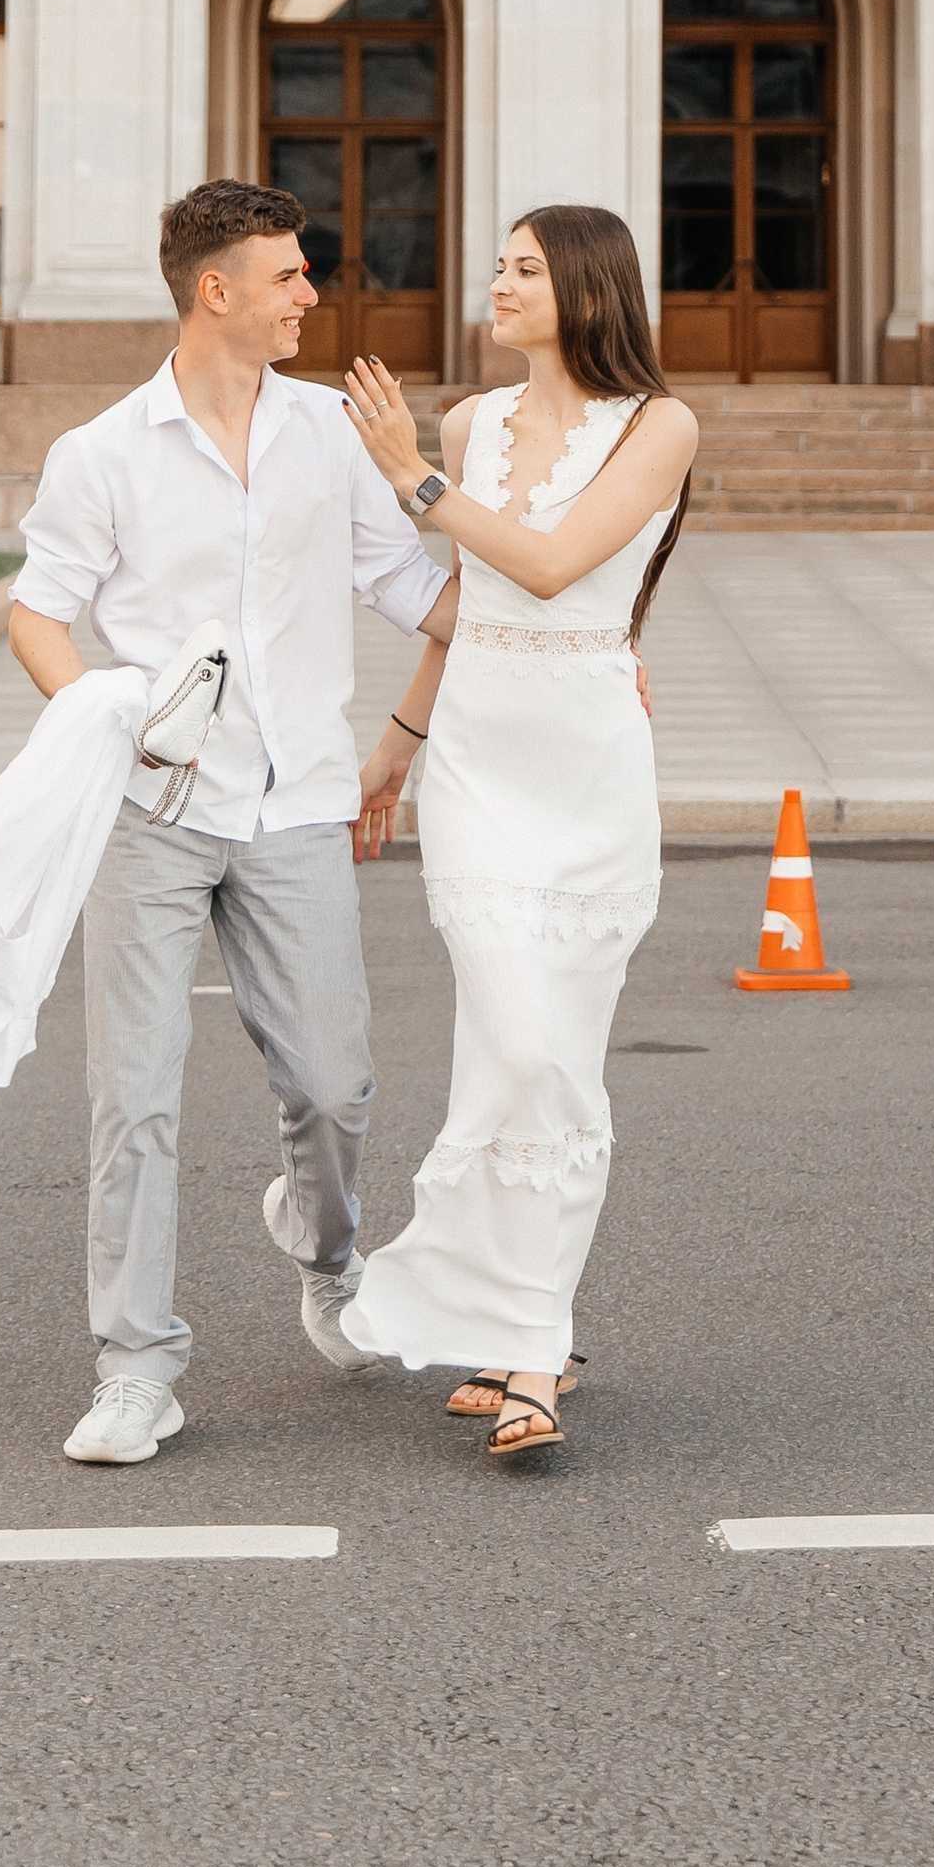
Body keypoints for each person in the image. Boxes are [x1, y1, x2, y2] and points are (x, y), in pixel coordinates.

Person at [5, 178, 461, 1469]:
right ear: (218, 291)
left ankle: (324, 1251)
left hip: (301, 801)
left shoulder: (331, 432)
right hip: (152, 813)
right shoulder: (102, 452)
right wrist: (103, 717)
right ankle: (135, 1367)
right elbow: (38, 613)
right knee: (135, 1098)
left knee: (332, 1082)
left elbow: (400, 581)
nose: (310, 292)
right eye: (290, 275)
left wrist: (558, 633)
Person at [337, 206, 699, 1463]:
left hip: (589, 772)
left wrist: (414, 484)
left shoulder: (659, 426)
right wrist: (396, 745)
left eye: (526, 269)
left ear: (590, 287)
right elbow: (475, 607)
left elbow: (549, 568)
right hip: (479, 771)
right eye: (496, 263)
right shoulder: (469, 423)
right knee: (514, 1042)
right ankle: (531, 1347)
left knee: (550, 1065)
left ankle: (518, 1328)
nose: (497, 283)